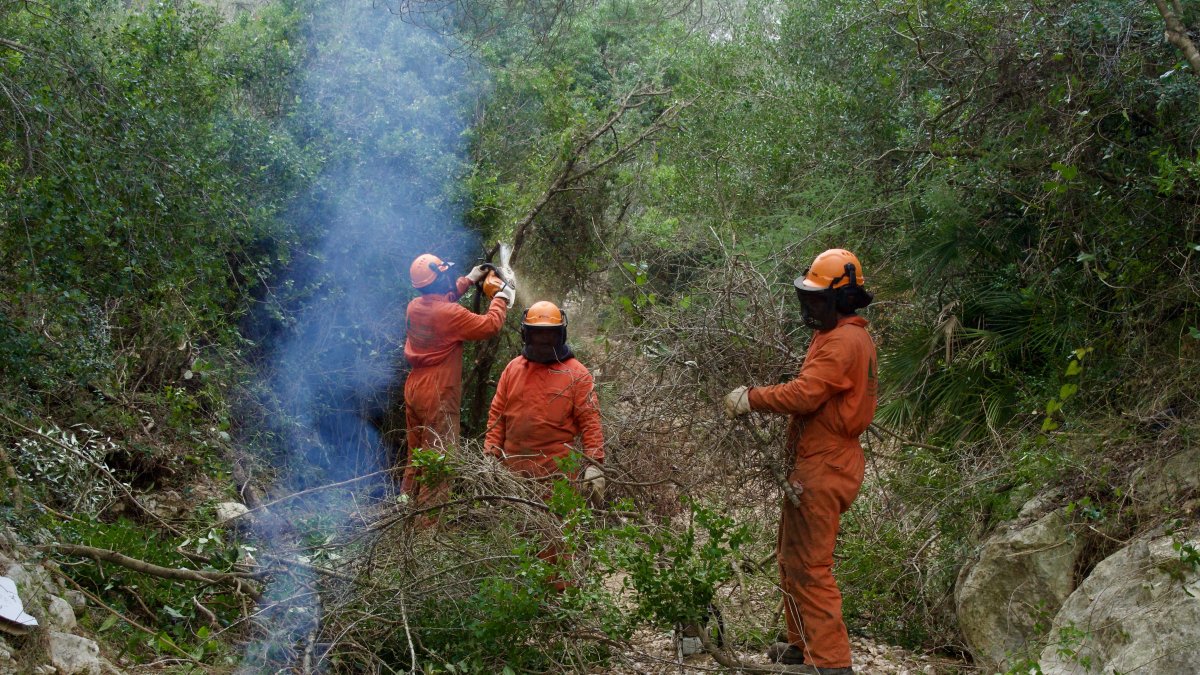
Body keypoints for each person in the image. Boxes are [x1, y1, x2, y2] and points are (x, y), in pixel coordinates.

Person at [724, 249, 877, 675]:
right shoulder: (835, 334)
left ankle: (829, 663)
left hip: (827, 462)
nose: (810, 308)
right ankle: (802, 644)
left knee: (810, 562)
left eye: (817, 300)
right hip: (817, 458)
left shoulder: (845, 341)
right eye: (806, 299)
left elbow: (805, 394)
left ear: (843, 299)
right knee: (791, 557)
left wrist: (751, 398)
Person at [484, 301, 605, 588]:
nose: (542, 339)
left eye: (548, 334)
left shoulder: (576, 373)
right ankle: (520, 599)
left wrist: (594, 465)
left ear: (559, 335)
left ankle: (558, 603)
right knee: (518, 537)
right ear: (527, 334)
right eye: (537, 333)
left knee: (557, 539)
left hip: (557, 473)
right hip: (513, 471)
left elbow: (590, 422)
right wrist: (490, 454)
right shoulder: (514, 368)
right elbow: (497, 415)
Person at [402, 253, 515, 508]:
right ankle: (427, 531)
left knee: (416, 455)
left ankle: (405, 508)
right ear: (440, 279)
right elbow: (489, 326)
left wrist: (468, 280)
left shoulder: (415, 306)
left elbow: (442, 303)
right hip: (437, 391)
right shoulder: (449, 314)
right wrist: (501, 298)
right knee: (439, 461)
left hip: (415, 387)